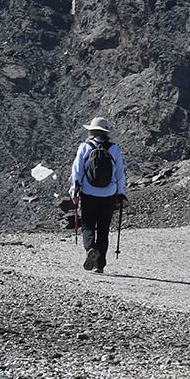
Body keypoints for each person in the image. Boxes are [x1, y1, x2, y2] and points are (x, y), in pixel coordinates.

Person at [68, 116, 126, 273]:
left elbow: (77, 172)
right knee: (103, 229)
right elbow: (120, 174)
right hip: (109, 194)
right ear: (106, 132)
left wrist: (74, 192)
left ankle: (90, 248)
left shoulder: (85, 147)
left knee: (87, 225)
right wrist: (120, 193)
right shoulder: (114, 149)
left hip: (88, 193)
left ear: (91, 131)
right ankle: (100, 265)